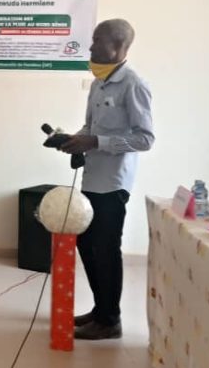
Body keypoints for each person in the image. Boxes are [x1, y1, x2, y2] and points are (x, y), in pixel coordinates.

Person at [60, 18, 154, 340]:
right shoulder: (99, 84)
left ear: (117, 46)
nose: (90, 47)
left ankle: (110, 320)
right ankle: (101, 310)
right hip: (91, 178)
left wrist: (97, 142)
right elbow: (90, 127)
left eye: (97, 40)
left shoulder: (133, 84)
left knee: (106, 248)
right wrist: (75, 140)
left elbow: (145, 139)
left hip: (114, 183)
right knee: (86, 243)